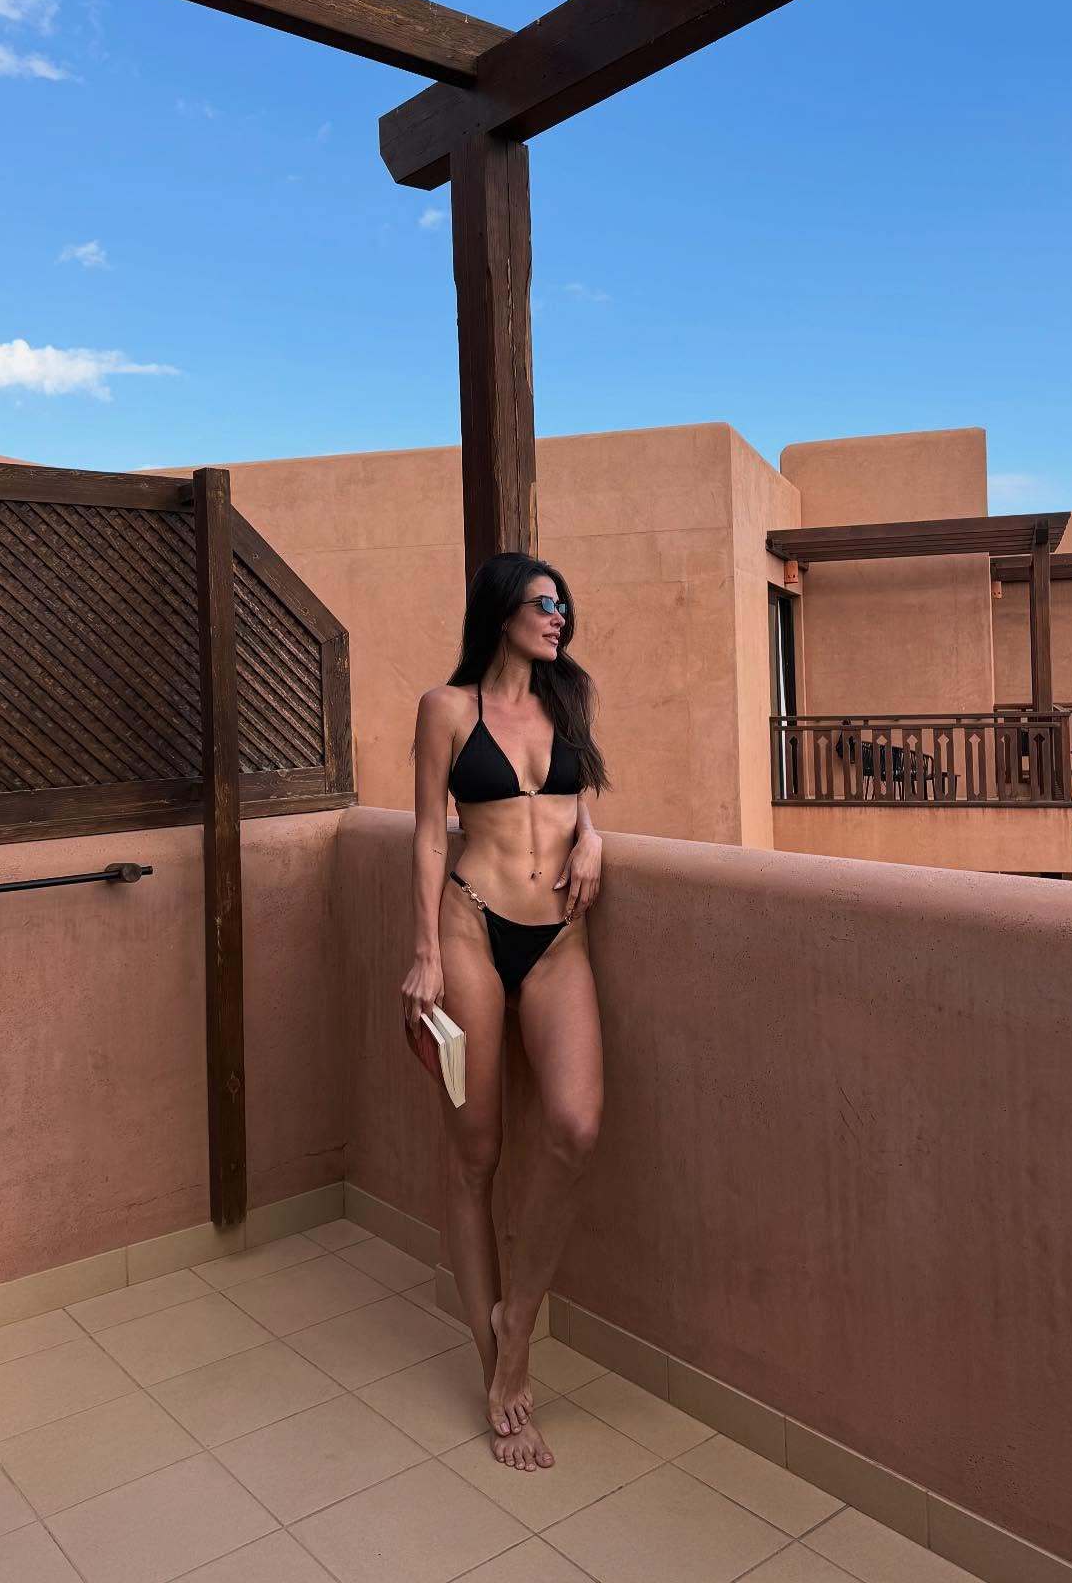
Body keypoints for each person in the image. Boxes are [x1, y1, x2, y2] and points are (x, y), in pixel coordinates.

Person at [403, 552, 609, 1473]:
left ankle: (516, 1318)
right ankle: (498, 1372)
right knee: (476, 1152)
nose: (558, 616)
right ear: (501, 613)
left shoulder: (569, 700)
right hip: (470, 928)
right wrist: (423, 952)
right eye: (542, 603)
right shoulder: (447, 709)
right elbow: (426, 833)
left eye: (563, 605)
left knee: (575, 1126)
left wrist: (594, 836)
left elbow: (568, 800)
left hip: (559, 937)